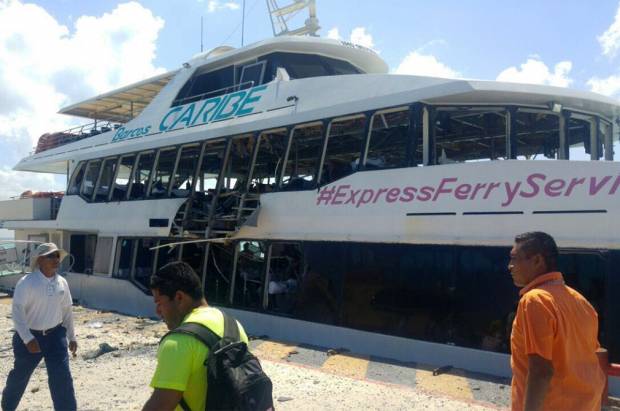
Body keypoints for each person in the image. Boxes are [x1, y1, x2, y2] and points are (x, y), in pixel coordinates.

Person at [508, 231, 605, 411]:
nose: (510, 266)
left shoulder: (535, 300)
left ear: (537, 261)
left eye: (514, 259)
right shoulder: (581, 301)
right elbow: (592, 356)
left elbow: (541, 371)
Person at [143, 261, 249, 411]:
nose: (157, 311)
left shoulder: (179, 341)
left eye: (159, 302)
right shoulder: (234, 326)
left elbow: (160, 406)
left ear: (179, 297)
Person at [2, 243, 77, 411]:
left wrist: (72, 337)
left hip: (56, 336)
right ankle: (7, 406)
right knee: (20, 377)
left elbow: (67, 311)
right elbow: (17, 312)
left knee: (62, 379)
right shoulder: (27, 282)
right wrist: (28, 339)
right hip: (30, 337)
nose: (56, 259)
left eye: (57, 256)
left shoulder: (62, 282)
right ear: (41, 260)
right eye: (52, 256)